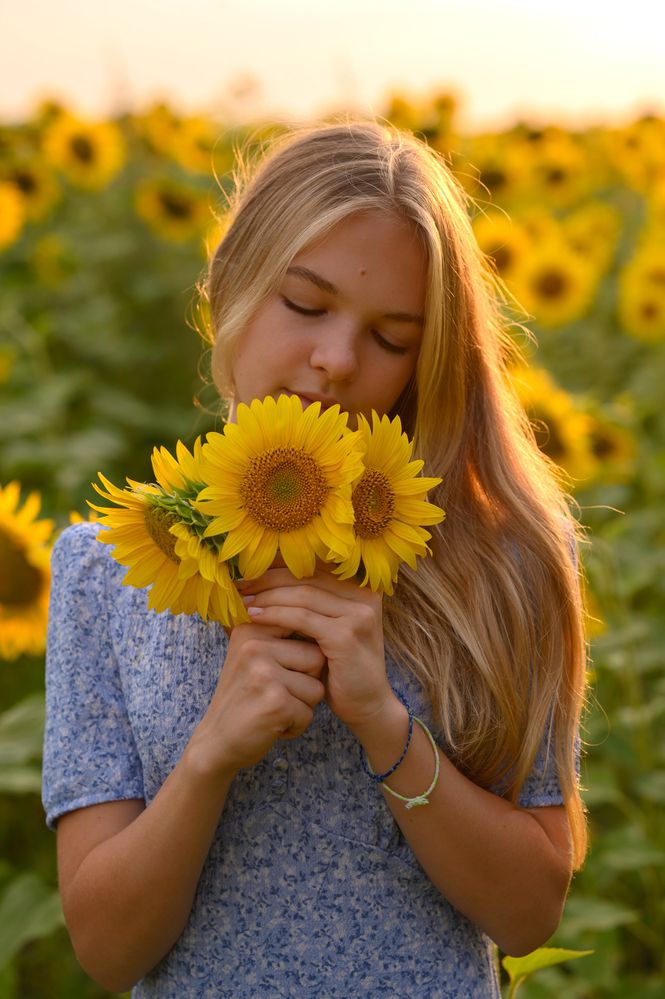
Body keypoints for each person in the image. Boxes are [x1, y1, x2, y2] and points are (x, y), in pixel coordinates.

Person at [42, 120, 588, 998]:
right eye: (304, 304)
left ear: (428, 356)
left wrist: (382, 721)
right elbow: (105, 950)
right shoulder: (110, 570)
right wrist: (210, 753)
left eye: (391, 337)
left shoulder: (504, 559)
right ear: (228, 288)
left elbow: (530, 910)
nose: (335, 359)